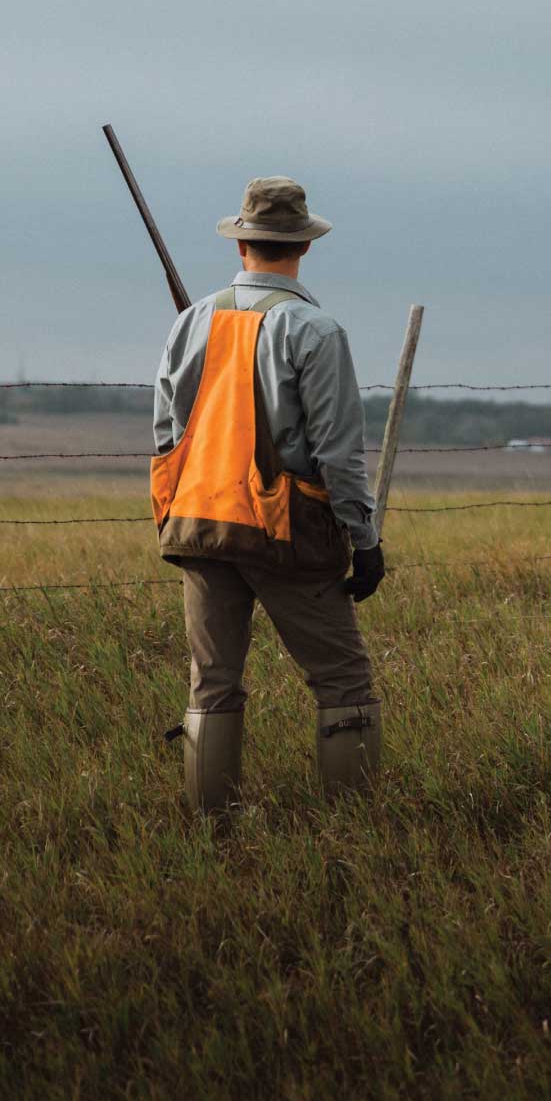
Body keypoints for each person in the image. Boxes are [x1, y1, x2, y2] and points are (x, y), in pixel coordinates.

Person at [150, 176, 387, 813]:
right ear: (303, 247)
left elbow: (166, 434)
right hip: (285, 534)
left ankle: (212, 825)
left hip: (200, 525)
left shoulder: (191, 322)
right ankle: (352, 825)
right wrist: (363, 539)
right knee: (344, 681)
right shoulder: (316, 330)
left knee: (213, 686)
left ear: (242, 246)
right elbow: (338, 453)